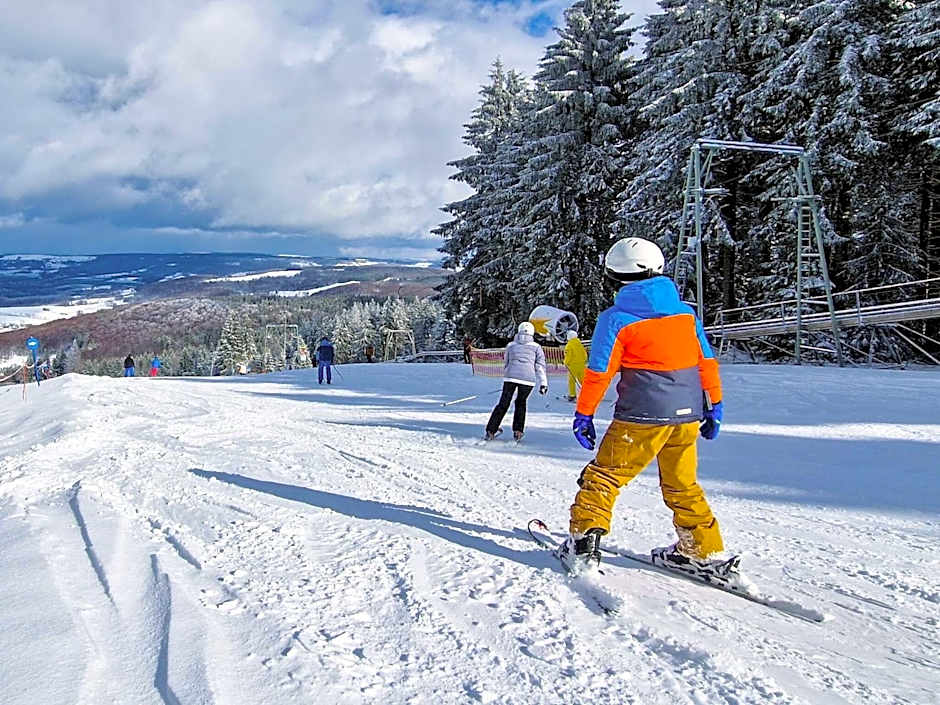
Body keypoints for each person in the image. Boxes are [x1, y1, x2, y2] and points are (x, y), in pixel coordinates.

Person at [558, 237, 725, 577]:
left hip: (642, 416)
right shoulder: (685, 314)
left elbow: (599, 371)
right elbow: (706, 362)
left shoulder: (617, 318)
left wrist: (584, 413)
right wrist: (714, 405)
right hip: (687, 415)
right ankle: (702, 549)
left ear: (612, 275)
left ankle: (583, 541)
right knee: (683, 484)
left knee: (605, 475)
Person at [484, 322, 548, 442]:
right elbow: (540, 366)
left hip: (511, 377)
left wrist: (508, 375)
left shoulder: (511, 345)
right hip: (528, 379)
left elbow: (506, 361)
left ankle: (491, 430)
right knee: (521, 403)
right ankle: (518, 431)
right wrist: (543, 383)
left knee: (503, 403)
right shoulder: (536, 347)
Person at [563, 330, 587, 402]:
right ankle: (587, 394)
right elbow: (585, 354)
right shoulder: (580, 344)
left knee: (572, 381)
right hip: (582, 365)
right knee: (582, 380)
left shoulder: (569, 345)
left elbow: (568, 356)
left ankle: (572, 395)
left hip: (573, 365)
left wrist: (565, 362)